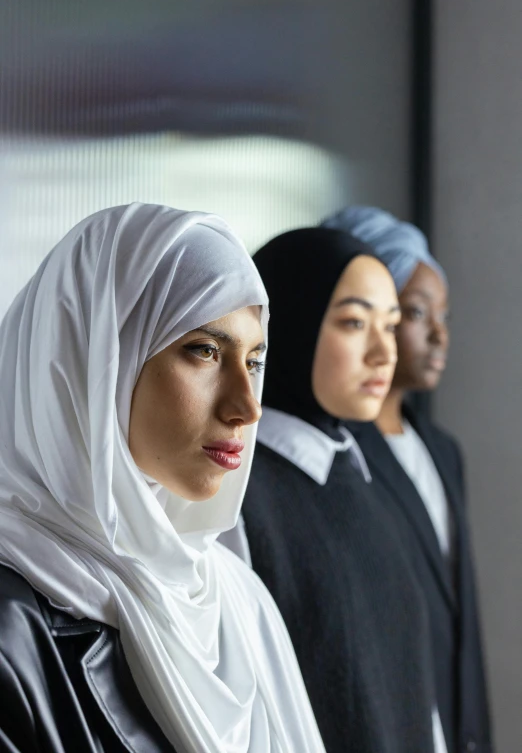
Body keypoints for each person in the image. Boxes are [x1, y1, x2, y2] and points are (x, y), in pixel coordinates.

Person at [0, 203, 326, 753]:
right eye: (204, 350)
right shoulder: (13, 630)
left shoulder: (236, 600)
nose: (247, 408)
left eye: (253, 362)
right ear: (93, 360)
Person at [223, 226, 441, 753]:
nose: (382, 353)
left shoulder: (363, 475)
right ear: (289, 322)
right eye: (353, 322)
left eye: (389, 326)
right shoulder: (236, 494)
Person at [322, 206, 492, 753]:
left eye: (443, 316)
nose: (439, 335)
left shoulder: (443, 452)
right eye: (417, 314)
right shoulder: (333, 455)